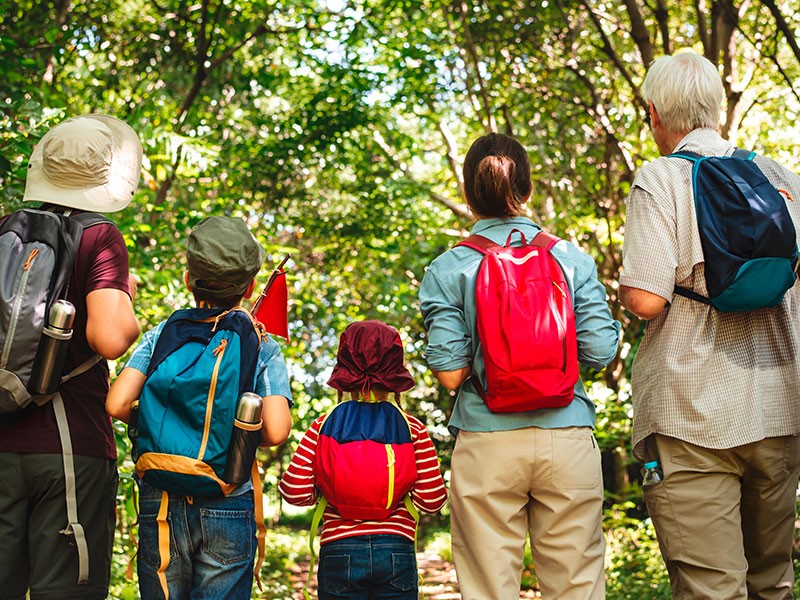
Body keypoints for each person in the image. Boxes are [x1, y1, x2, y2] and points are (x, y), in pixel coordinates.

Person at [619, 50, 800, 599]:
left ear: (655, 114)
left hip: (691, 417)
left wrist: (629, 289)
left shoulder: (661, 179)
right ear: (717, 108)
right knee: (772, 583)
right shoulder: (778, 177)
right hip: (779, 408)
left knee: (711, 588)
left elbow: (647, 300)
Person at [419, 132, 620, 600]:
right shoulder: (570, 258)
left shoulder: (449, 268)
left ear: (469, 194)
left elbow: (450, 373)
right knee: (577, 585)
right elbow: (601, 351)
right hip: (567, 434)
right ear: (527, 190)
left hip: (488, 440)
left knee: (490, 588)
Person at [105, 216, 293, 600]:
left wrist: (163, 425)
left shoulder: (163, 334)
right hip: (228, 493)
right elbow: (276, 431)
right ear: (251, 286)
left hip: (161, 496)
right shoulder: (260, 344)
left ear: (189, 279)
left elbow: (116, 402)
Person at [0, 114, 142, 600]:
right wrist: (126, 300)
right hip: (68, 443)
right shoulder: (98, 236)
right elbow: (110, 338)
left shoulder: (6, 230)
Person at [278, 319, 448, 600]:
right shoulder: (412, 428)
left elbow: (294, 492)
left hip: (339, 550)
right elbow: (432, 500)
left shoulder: (322, 425)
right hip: (396, 549)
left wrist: (328, 492)